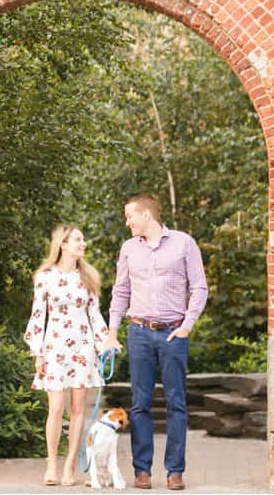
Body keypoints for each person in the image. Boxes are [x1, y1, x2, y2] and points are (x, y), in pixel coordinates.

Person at [101, 194, 208, 491]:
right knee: (140, 405)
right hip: (139, 333)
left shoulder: (184, 243)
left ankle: (175, 471)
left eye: (129, 216)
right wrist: (112, 332)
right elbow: (120, 292)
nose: (127, 222)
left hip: (173, 333)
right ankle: (142, 471)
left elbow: (199, 287)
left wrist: (187, 326)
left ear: (146, 214)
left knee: (176, 403)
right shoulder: (128, 249)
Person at [24, 224, 110, 487]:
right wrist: (37, 352)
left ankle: (70, 465)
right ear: (63, 244)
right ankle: (51, 463)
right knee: (56, 407)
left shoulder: (89, 278)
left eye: (83, 240)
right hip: (54, 348)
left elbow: (94, 316)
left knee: (77, 409)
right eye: (78, 240)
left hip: (82, 350)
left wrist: (106, 342)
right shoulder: (45, 277)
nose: (83, 244)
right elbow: (38, 316)